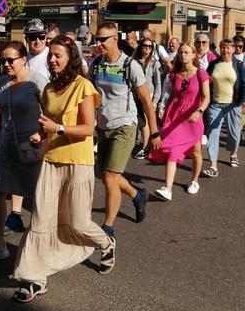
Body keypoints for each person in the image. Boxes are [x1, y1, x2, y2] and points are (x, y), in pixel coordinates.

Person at [12, 36, 113, 302]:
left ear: (71, 58)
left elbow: (88, 128)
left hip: (78, 161)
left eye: (58, 55)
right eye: (51, 55)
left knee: (78, 222)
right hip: (52, 158)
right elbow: (49, 123)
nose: (53, 59)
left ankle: (106, 244)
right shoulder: (48, 89)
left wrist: (56, 129)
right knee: (41, 219)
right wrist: (40, 134)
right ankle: (35, 278)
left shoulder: (83, 86)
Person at [0, 42, 48, 266]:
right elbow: (5, 112)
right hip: (6, 146)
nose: (5, 64)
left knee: (38, 201)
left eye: (11, 60)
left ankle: (40, 252)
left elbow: (52, 114)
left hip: (32, 148)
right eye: (3, 60)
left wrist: (42, 135)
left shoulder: (38, 82)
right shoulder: (4, 82)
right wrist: (0, 126)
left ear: (23, 59)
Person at [89, 22, 160, 237]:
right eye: (96, 39)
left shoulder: (130, 65)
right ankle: (137, 195)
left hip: (125, 126)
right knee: (105, 174)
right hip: (103, 126)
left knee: (110, 177)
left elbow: (146, 101)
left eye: (102, 39)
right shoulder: (95, 64)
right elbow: (88, 94)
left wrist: (154, 132)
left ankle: (108, 228)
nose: (98, 43)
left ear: (114, 39)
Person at [150, 43, 210, 199]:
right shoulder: (175, 74)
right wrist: (162, 107)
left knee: (195, 152)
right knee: (172, 150)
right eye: (181, 52)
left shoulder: (201, 74)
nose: (183, 55)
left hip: (193, 117)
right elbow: (169, 93)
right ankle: (167, 189)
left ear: (193, 55)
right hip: (175, 115)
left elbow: (206, 97)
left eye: (186, 52)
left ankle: (194, 180)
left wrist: (199, 111)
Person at [202, 39, 245, 177]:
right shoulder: (213, 64)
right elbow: (205, 81)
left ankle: (233, 153)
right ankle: (213, 165)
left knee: (235, 134)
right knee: (213, 133)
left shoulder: (239, 65)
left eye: (228, 47)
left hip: (233, 105)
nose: (225, 50)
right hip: (215, 104)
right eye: (223, 47)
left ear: (233, 49)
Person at [131, 36, 162, 159]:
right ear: (140, 47)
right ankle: (145, 145)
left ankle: (144, 148)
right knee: (140, 122)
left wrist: (155, 100)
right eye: (145, 45)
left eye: (150, 46)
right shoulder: (133, 61)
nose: (147, 48)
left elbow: (158, 83)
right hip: (135, 96)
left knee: (145, 122)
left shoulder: (155, 63)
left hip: (148, 96)